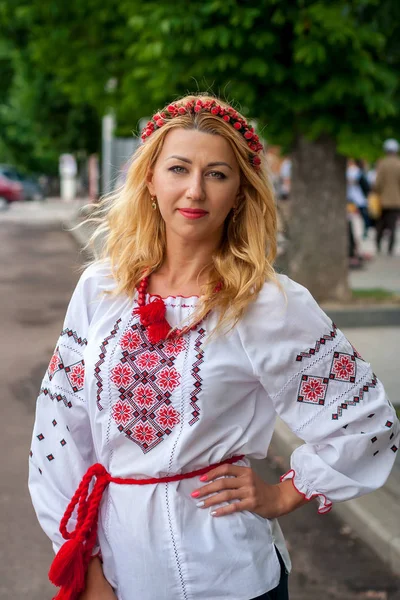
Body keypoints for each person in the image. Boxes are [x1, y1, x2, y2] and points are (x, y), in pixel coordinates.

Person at [28, 95, 399, 600]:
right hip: (118, 569)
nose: (194, 190)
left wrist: (284, 492)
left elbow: (366, 421)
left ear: (240, 193)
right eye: (178, 168)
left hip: (229, 575)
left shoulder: (268, 303)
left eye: (217, 174)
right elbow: (59, 432)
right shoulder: (101, 290)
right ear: (150, 179)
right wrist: (86, 564)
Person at [375, 138, 400, 255]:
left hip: (383, 200)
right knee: (392, 226)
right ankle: (390, 248)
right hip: (396, 200)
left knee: (380, 224)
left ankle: (378, 245)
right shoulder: (399, 164)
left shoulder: (382, 164)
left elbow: (377, 183)